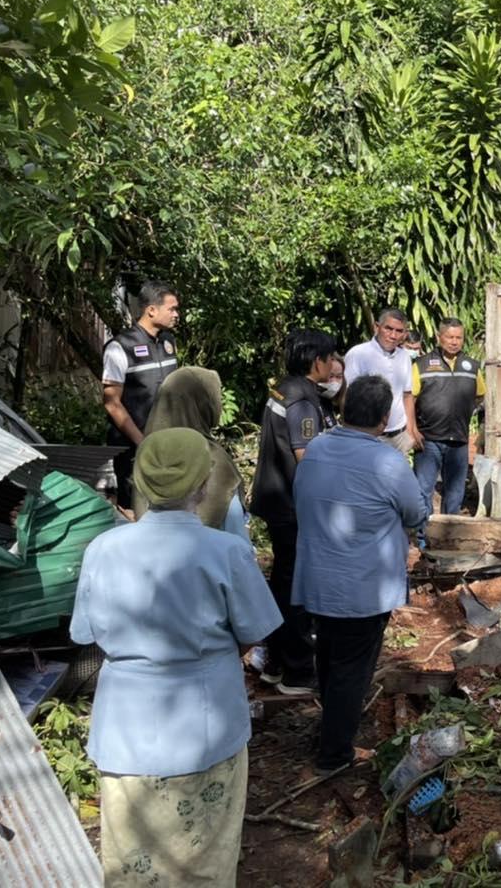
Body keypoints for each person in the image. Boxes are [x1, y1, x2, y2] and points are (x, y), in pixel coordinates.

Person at [71, 427, 281, 887]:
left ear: (141, 484)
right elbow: (253, 633)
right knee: (204, 861)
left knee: (133, 864)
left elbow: (86, 634)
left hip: (125, 729)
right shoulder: (227, 551)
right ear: (204, 484)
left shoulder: (102, 549)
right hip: (207, 726)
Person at [293, 376, 427, 772]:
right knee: (352, 669)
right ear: (384, 419)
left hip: (319, 579)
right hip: (363, 586)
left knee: (329, 656)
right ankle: (335, 754)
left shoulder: (317, 448)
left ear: (345, 408)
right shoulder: (388, 462)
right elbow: (416, 513)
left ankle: (330, 729)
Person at [251, 329, 340, 695]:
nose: (334, 365)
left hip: (278, 500)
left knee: (282, 582)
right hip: (293, 506)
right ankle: (298, 671)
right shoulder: (302, 400)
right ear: (316, 361)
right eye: (331, 358)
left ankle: (274, 662)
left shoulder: (284, 388)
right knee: (296, 588)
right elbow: (307, 458)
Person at [132, 366, 248, 540]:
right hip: (209, 554)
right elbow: (237, 534)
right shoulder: (212, 458)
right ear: (204, 403)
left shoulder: (147, 455)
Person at [101, 280, 181, 509]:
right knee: (134, 509)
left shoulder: (168, 342)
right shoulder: (120, 347)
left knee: (167, 506)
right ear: (151, 310)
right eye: (172, 309)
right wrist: (142, 442)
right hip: (133, 450)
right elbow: (112, 403)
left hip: (165, 444)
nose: (176, 315)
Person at [412, 317, 485, 516]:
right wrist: (413, 429)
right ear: (439, 337)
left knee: (455, 492)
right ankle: (423, 531)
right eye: (450, 337)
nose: (454, 342)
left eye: (458, 337)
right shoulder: (422, 364)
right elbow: (410, 398)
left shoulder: (472, 366)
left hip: (458, 439)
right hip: (428, 440)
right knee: (423, 490)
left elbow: (479, 395)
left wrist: (462, 411)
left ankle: (451, 531)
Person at [343, 309, 422, 454]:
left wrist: (411, 430)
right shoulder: (358, 354)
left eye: (399, 331)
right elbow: (346, 397)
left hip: (399, 436)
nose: (393, 335)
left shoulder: (404, 357)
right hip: (368, 436)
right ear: (376, 327)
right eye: (388, 328)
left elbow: (407, 395)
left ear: (405, 334)